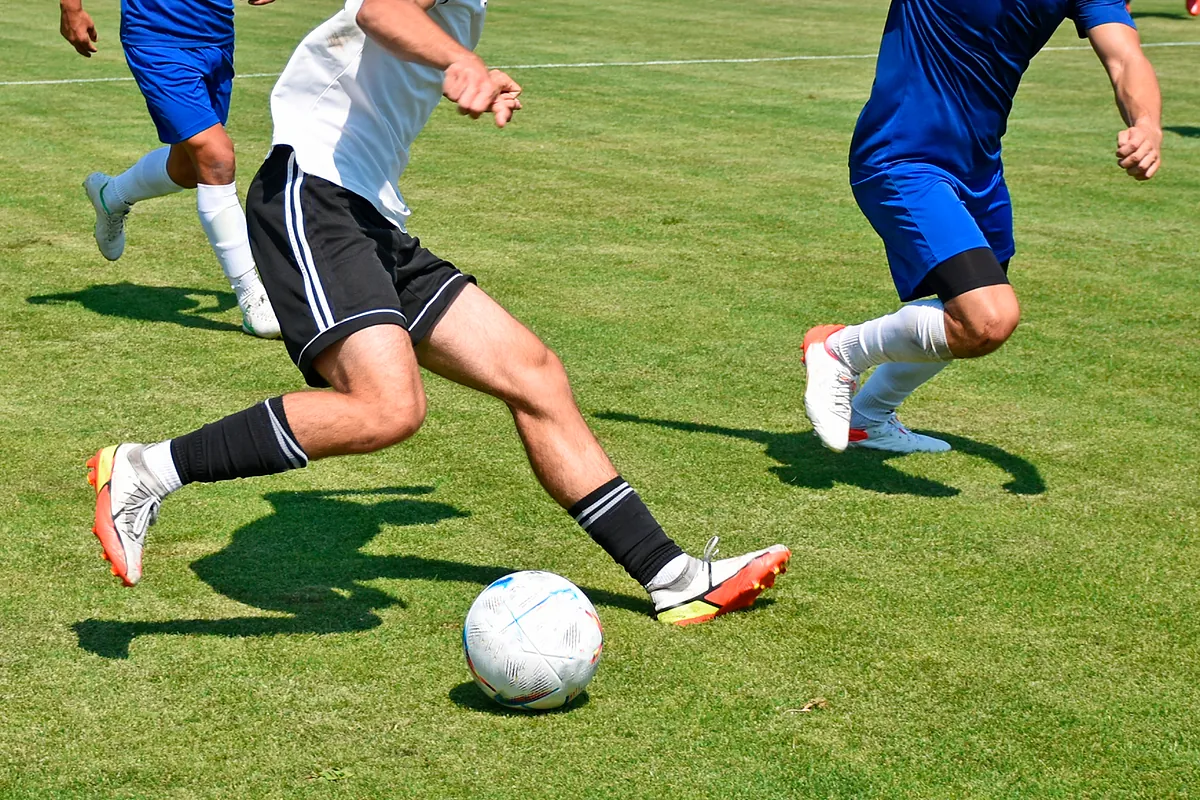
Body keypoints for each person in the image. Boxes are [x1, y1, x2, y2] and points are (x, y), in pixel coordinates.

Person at [83, 0, 790, 627]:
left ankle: (671, 578)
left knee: (534, 374)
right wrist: (464, 61)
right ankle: (147, 470)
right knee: (387, 407)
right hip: (314, 195)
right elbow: (380, 10)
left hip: (368, 214)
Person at [803, 0, 1162, 454]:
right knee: (988, 318)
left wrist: (1146, 124)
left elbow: (1125, 56)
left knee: (965, 308)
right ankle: (839, 349)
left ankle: (868, 418)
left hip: (979, 168)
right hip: (903, 158)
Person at [58, 0, 281, 338]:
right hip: (157, 37)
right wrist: (71, 8)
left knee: (189, 169)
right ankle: (251, 294)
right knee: (216, 155)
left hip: (215, 36)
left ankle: (112, 195)